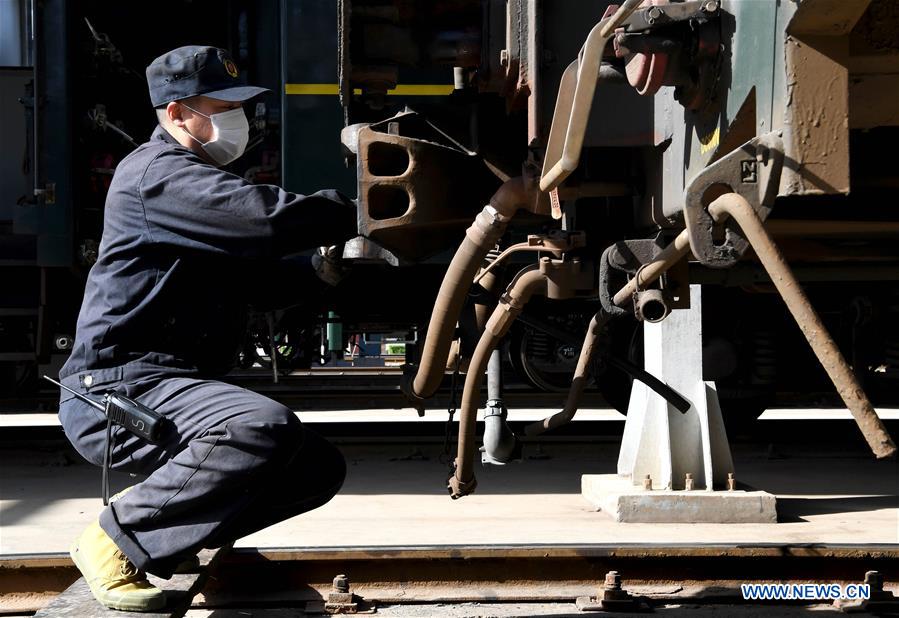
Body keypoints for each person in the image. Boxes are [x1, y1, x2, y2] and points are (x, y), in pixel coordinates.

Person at [56, 45, 354, 612]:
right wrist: (362, 206)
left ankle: (170, 532)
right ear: (175, 114)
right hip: (118, 392)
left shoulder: (195, 183)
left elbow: (258, 283)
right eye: (222, 106)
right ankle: (117, 537)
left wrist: (322, 267)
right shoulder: (157, 177)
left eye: (239, 106)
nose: (238, 119)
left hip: (164, 385)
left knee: (315, 466)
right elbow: (266, 220)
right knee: (258, 427)